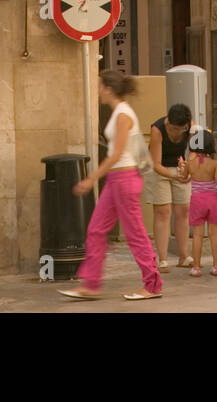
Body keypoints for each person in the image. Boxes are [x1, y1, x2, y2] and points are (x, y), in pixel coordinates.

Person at [60, 71, 162, 300]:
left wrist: (91, 178)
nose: (97, 91)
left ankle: (152, 284)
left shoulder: (123, 115)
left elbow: (116, 154)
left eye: (99, 86)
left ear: (108, 88)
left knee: (135, 234)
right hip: (117, 182)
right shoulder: (118, 112)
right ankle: (90, 284)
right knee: (96, 230)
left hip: (124, 181)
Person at [182, 131, 217, 277]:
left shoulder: (190, 164)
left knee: (197, 236)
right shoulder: (214, 164)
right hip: (212, 200)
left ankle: (196, 268)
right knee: (214, 234)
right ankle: (216, 267)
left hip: (197, 201)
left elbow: (183, 179)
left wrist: (181, 168)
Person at [145, 103, 194, 269]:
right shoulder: (157, 129)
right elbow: (156, 164)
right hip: (159, 169)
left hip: (179, 168)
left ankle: (184, 255)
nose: (177, 132)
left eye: (181, 129)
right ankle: (163, 259)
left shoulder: (192, 128)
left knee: (183, 209)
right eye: (174, 128)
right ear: (168, 122)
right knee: (163, 211)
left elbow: (195, 151)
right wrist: (175, 176)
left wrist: (188, 170)